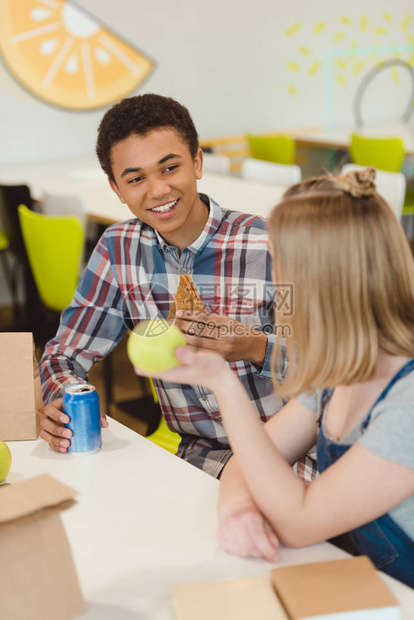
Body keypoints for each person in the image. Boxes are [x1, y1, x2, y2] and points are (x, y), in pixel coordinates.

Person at [133, 168, 414, 587]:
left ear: (322, 284)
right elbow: (250, 462)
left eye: (280, 270)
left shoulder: (405, 403)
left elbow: (301, 520)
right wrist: (239, 510)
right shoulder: (342, 369)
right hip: (370, 582)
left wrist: (222, 383)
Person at [39, 94, 315, 479]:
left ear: (197, 162)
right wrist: (63, 402)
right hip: (199, 458)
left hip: (294, 453)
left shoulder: (271, 246)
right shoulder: (119, 250)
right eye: (135, 179)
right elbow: (63, 356)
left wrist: (255, 347)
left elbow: (338, 367)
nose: (157, 191)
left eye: (169, 168)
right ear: (117, 189)